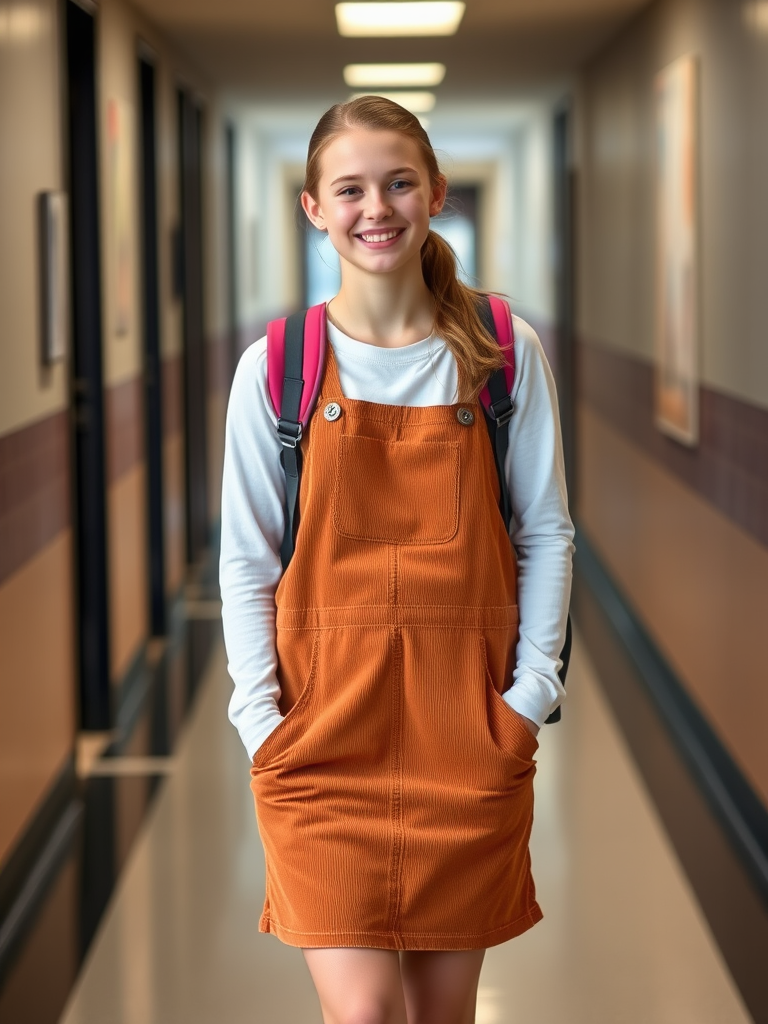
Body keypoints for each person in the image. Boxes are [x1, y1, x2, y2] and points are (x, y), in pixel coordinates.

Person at [220, 95, 574, 1024]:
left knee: (443, 1016)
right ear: (314, 208)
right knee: (366, 1013)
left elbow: (545, 531)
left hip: (469, 733)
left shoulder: (501, 352)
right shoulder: (277, 368)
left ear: (435, 194)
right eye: (350, 189)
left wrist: (527, 698)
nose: (376, 207)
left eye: (398, 183)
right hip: (320, 741)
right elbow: (245, 560)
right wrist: (263, 722)